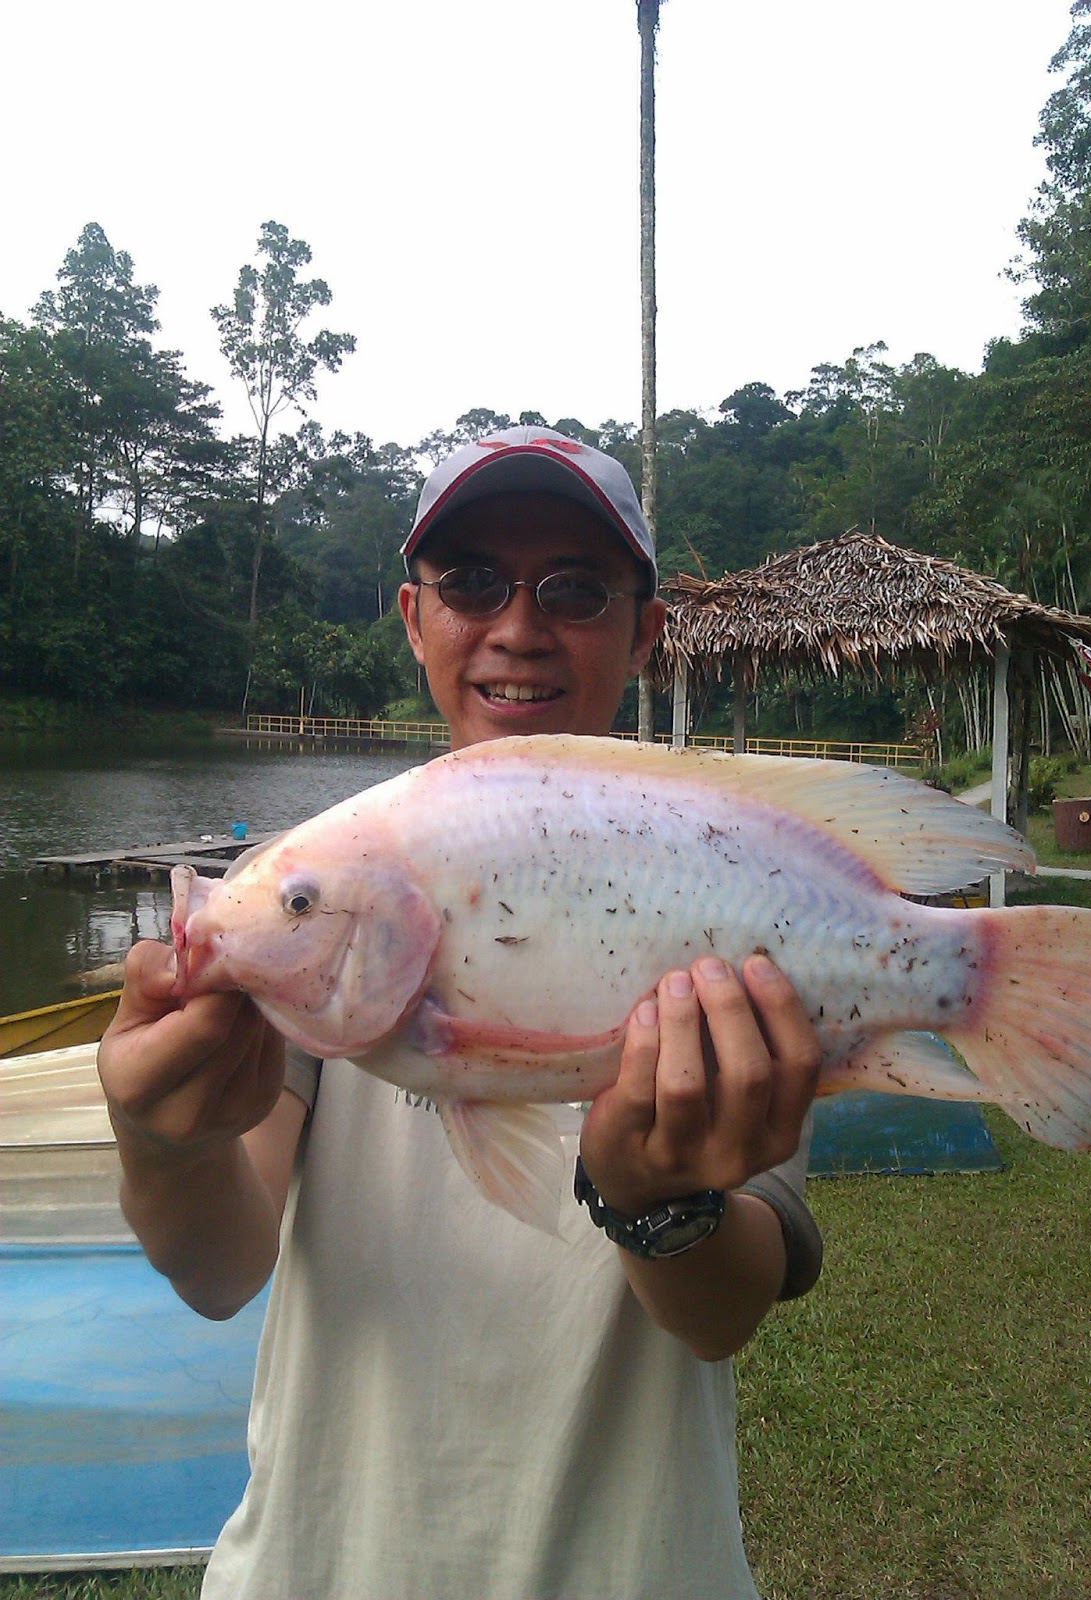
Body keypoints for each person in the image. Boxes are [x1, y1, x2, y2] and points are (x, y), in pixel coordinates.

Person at [98, 426, 824, 1599]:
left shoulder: (721, 876)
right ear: (413, 616)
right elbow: (221, 1267)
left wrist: (656, 1200)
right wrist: (162, 1142)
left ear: (645, 632)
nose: (517, 627)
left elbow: (720, 1315)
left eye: (574, 589)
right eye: (472, 580)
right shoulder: (320, 892)